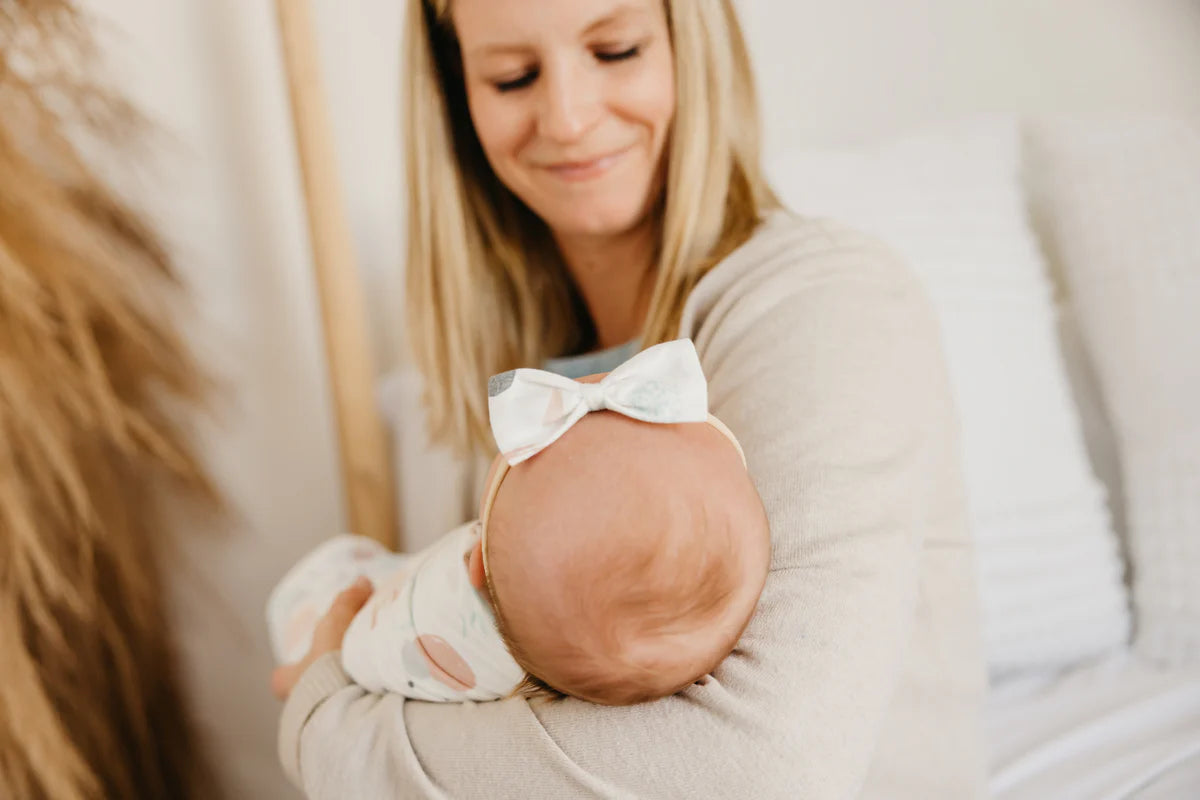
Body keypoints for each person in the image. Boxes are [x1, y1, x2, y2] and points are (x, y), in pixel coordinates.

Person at [271, 0, 989, 797]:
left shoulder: (827, 303)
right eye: (513, 77)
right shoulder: (520, 388)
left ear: (689, 45)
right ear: (456, 94)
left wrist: (327, 721)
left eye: (614, 50)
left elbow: (761, 769)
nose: (570, 119)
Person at [266, 341, 771, 706]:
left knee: (330, 582)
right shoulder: (571, 635)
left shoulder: (446, 619)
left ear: (477, 565)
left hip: (360, 623)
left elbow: (343, 678)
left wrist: (314, 680)